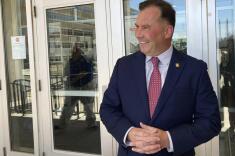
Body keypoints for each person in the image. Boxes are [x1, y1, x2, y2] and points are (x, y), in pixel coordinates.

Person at [100, 0, 221, 155]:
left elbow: (210, 122)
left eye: (145, 27)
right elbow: (108, 109)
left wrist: (168, 139)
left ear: (167, 31)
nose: (137, 34)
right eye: (137, 27)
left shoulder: (194, 69)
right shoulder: (123, 66)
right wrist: (129, 132)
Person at [55, 44, 97, 129]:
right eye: (74, 51)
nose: (75, 53)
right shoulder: (70, 62)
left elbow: (88, 73)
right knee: (68, 107)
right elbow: (66, 75)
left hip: (86, 87)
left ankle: (92, 124)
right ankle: (62, 124)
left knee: (88, 107)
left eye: (77, 51)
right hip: (73, 87)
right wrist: (75, 79)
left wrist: (77, 77)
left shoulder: (85, 60)